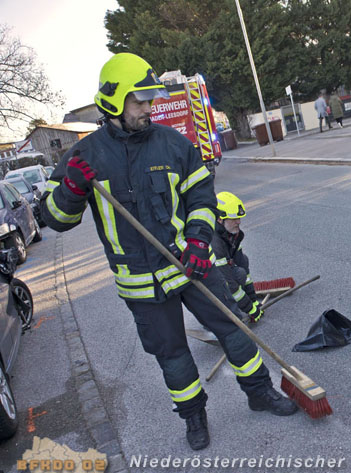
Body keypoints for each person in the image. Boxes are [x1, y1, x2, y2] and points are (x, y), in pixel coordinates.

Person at [42, 52, 297, 451]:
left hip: (191, 263)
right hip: (141, 283)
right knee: (172, 354)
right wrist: (71, 190)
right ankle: (195, 417)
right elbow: (55, 219)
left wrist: (198, 241)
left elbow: (201, 198)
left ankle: (260, 393)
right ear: (113, 101)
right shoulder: (84, 156)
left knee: (233, 326)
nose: (149, 107)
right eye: (139, 101)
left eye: (150, 99)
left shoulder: (174, 145)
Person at [212, 191, 263, 323]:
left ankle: (232, 305)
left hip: (221, 274)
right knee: (232, 315)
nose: (238, 222)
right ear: (219, 219)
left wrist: (253, 300)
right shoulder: (214, 242)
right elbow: (226, 281)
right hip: (205, 285)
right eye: (234, 218)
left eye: (239, 218)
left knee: (240, 271)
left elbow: (242, 265)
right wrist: (249, 308)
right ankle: (216, 317)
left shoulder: (233, 236)